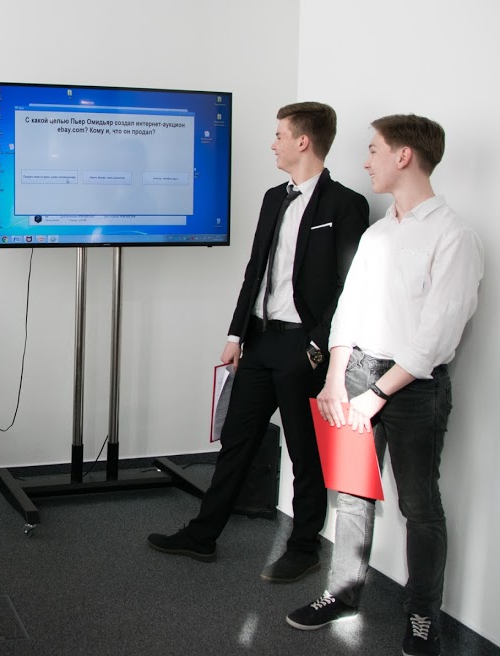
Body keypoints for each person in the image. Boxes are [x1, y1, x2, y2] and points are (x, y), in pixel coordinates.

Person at [287, 115, 483, 656]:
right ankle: (343, 594)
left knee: (419, 507)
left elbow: (435, 338)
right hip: (356, 376)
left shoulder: (454, 236)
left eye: (373, 150)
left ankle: (422, 616)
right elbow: (348, 311)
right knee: (352, 497)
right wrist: (335, 379)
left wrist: (376, 396)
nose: (365, 161)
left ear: (403, 156)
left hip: (413, 389)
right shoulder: (377, 234)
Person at [148, 102, 369, 582]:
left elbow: (348, 287)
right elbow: (255, 273)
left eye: (279, 135)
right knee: (236, 441)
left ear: (303, 141)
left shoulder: (345, 204)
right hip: (260, 341)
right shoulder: (273, 198)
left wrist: (317, 346)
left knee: (305, 453)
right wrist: (235, 334)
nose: (273, 144)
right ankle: (203, 535)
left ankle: (304, 547)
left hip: (303, 349)